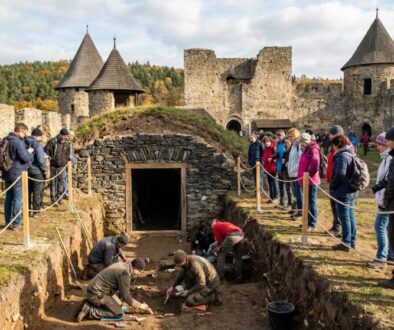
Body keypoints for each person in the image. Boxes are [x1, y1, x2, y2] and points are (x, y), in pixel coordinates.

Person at [76, 258, 152, 322]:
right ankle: (89, 310)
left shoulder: (124, 266)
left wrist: (121, 303)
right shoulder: (125, 273)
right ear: (135, 267)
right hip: (97, 294)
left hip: (97, 290)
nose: (139, 274)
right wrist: (140, 305)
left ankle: (90, 303)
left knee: (120, 305)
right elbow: (125, 296)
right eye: (139, 271)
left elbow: (121, 292)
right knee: (118, 313)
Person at [367, 133, 392, 269]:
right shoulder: (385, 158)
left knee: (380, 226)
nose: (377, 147)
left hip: (387, 200)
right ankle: (389, 255)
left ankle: (381, 258)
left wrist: (382, 200)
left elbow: (388, 182)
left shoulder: (390, 159)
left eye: (378, 144)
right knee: (387, 227)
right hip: (384, 199)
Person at [2, 123, 34, 230]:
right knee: (17, 199)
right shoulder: (17, 142)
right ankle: (16, 223)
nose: (25, 135)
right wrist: (29, 152)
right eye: (25, 132)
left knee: (8, 198)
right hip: (17, 173)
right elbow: (25, 158)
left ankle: (7, 222)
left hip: (6, 172)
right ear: (21, 130)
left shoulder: (5, 140)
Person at [330, 135, 358, 252]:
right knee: (350, 216)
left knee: (345, 217)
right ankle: (351, 241)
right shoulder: (350, 153)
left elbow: (341, 173)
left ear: (337, 145)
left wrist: (333, 186)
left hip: (343, 191)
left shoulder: (342, 156)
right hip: (350, 190)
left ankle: (346, 243)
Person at [378, 127, 394, 288]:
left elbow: (391, 184)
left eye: (389, 140)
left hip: (390, 204)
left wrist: (385, 200)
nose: (387, 142)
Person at [297, 133, 321, 231]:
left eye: (301, 142)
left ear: (305, 141)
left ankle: (313, 224)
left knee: (312, 202)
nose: (300, 145)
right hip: (305, 180)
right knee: (306, 202)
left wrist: (308, 176)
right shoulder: (306, 149)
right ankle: (306, 222)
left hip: (311, 181)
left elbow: (315, 165)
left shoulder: (313, 150)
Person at [44, 128, 71, 205]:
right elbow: (46, 151)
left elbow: (68, 154)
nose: (66, 138)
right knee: (53, 183)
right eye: (65, 136)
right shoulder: (52, 141)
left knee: (61, 182)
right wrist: (50, 159)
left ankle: (60, 198)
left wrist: (66, 162)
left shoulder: (66, 143)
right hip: (53, 166)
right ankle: (53, 200)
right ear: (61, 135)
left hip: (62, 167)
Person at [25, 127, 47, 217]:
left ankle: (27, 210)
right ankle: (36, 212)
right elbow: (40, 159)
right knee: (37, 192)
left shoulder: (23, 141)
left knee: (27, 192)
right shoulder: (37, 144)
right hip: (36, 171)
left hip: (26, 170)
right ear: (40, 136)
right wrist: (45, 170)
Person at [326, 125, 344, 236]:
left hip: (338, 182)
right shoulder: (334, 147)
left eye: (331, 135)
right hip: (332, 180)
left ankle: (338, 227)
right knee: (333, 205)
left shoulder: (343, 147)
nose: (329, 137)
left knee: (339, 206)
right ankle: (335, 224)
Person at [287, 128, 303, 220]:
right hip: (292, 174)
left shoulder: (298, 145)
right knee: (295, 194)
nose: (289, 138)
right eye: (289, 136)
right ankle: (298, 210)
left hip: (297, 174)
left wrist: (296, 170)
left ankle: (301, 212)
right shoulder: (293, 146)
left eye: (291, 136)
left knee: (299, 194)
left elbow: (300, 159)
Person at [273, 130, 287, 207]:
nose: (278, 137)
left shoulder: (285, 143)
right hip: (278, 166)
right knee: (280, 185)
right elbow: (278, 153)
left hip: (283, 167)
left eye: (280, 136)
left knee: (285, 186)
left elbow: (284, 154)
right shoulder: (278, 143)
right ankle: (281, 201)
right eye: (277, 136)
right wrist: (273, 156)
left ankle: (284, 202)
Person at [262, 136, 278, 203]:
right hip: (267, 168)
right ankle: (271, 197)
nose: (266, 144)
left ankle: (274, 196)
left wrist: (272, 159)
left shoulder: (273, 147)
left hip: (272, 168)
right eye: (265, 143)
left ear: (269, 141)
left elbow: (276, 156)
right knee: (270, 183)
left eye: (267, 142)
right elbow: (264, 157)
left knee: (273, 182)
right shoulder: (266, 149)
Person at [280, 138, 294, 210]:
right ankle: (289, 203)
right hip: (285, 172)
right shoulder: (285, 152)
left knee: (292, 189)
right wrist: (281, 170)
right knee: (287, 188)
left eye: (288, 142)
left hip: (291, 172)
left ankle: (292, 204)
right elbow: (283, 161)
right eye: (285, 143)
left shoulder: (292, 151)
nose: (286, 144)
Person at [64, 130, 76, 200]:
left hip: (70, 164)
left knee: (68, 179)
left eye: (73, 136)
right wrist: (74, 160)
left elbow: (72, 154)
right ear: (68, 135)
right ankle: (66, 194)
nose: (73, 137)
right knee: (65, 179)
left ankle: (67, 193)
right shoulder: (65, 143)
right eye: (72, 136)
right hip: (65, 164)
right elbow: (68, 155)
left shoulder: (70, 143)